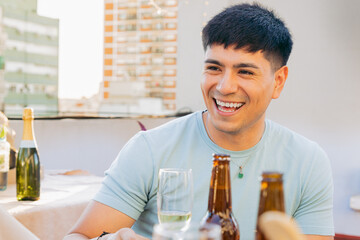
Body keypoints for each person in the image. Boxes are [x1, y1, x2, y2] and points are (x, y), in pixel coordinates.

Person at [64, 3, 334, 240]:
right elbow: (78, 236)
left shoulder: (308, 162)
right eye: (214, 68)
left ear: (278, 82)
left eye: (245, 72)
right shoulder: (150, 148)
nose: (225, 86)